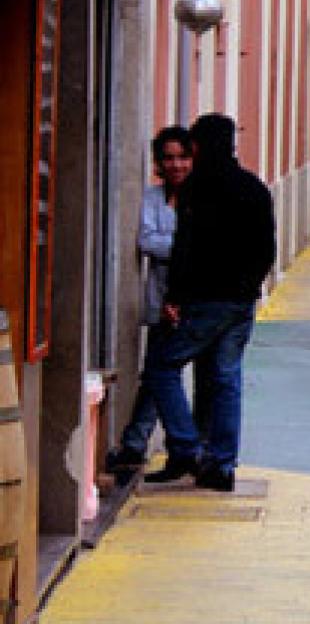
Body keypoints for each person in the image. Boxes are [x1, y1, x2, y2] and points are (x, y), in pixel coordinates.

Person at [143, 114, 276, 492]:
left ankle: (186, 446)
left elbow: (185, 249)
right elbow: (266, 249)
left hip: (203, 300)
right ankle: (221, 464)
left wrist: (174, 297)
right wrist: (249, 286)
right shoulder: (254, 188)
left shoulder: (195, 189)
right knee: (226, 378)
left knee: (161, 366)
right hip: (240, 302)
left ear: (199, 146)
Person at [106, 126, 195, 475]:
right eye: (168, 158)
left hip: (195, 302)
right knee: (157, 373)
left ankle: (170, 443)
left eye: (182, 157)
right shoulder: (153, 197)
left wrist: (173, 246)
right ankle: (136, 442)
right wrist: (182, 246)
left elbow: (195, 247)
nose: (176, 165)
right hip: (162, 301)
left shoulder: (201, 197)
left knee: (164, 373)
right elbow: (146, 241)